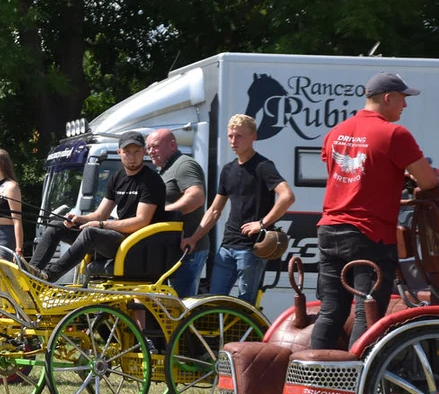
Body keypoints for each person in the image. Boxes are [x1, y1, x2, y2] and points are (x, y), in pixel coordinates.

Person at [311, 73, 438, 349]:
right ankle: (359, 387)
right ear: (388, 98)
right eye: (403, 99)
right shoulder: (395, 134)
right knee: (367, 315)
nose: (405, 105)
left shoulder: (336, 132)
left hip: (330, 229)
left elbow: (345, 171)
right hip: (369, 235)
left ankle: (315, 381)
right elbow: (428, 181)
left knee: (331, 311)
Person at [182, 114, 295, 305]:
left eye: (239, 136)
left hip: (252, 249)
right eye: (231, 136)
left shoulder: (263, 166)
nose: (234, 141)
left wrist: (262, 224)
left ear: (254, 137)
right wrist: (193, 238)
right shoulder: (228, 170)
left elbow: (287, 197)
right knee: (214, 301)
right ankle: (220, 336)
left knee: (245, 305)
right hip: (227, 246)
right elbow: (214, 210)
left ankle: (247, 336)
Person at [30, 131, 166, 283]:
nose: (132, 157)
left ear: (144, 152)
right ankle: (29, 274)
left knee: (90, 233)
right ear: (119, 152)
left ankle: (48, 276)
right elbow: (100, 214)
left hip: (136, 243)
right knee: (57, 225)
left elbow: (141, 221)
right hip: (118, 238)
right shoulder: (117, 178)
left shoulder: (151, 181)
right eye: (127, 152)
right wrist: (78, 218)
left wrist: (102, 225)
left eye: (136, 152)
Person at [145, 129, 207, 297]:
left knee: (181, 305)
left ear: (172, 145)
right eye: (148, 148)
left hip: (187, 249)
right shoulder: (165, 169)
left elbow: (196, 196)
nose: (151, 151)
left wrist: (164, 213)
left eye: (155, 146)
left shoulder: (183, 165)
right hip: (171, 250)